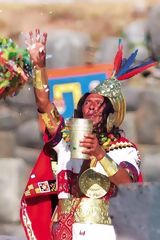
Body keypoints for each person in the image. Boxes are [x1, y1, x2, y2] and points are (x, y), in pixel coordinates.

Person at [20, 30, 156, 240]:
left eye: (98, 105)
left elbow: (128, 185)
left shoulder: (124, 149)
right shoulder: (64, 140)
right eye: (87, 103)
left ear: (111, 114)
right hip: (62, 231)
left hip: (101, 231)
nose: (90, 108)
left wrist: (100, 154)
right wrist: (40, 67)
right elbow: (44, 104)